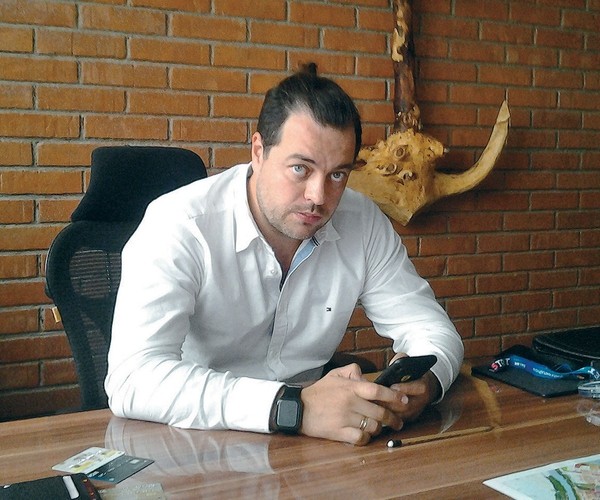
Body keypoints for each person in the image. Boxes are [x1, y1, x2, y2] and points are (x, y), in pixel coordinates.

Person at [105, 63, 464, 446]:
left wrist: (426, 382)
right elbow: (133, 378)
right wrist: (292, 407)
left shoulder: (362, 223)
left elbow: (432, 330)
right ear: (258, 151)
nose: (318, 196)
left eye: (338, 175)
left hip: (317, 442)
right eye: (300, 169)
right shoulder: (181, 224)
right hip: (198, 438)